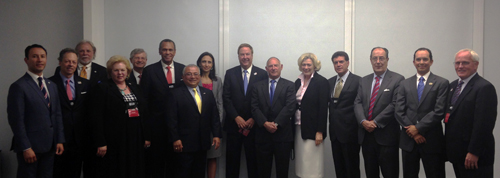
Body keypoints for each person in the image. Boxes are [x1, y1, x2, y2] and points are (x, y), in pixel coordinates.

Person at [7, 44, 65, 178]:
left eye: (42, 56)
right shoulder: (19, 86)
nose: (39, 60)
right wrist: (25, 147)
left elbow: (57, 115)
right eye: (34, 56)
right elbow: (16, 121)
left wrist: (60, 140)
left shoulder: (52, 85)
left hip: (50, 146)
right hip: (30, 148)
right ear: (26, 60)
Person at [89, 55, 151, 178]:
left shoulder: (134, 87)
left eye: (123, 70)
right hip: (115, 138)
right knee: (117, 168)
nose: (120, 73)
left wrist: (146, 136)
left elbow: (144, 112)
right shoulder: (102, 88)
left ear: (127, 71)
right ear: (110, 72)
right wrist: (100, 142)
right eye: (116, 70)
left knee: (135, 167)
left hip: (135, 136)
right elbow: (96, 117)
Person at [394, 48, 448, 178]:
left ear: (431, 61)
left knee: (436, 174)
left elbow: (439, 110)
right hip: (409, 141)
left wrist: (417, 128)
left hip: (432, 140)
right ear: (414, 62)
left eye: (425, 59)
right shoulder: (404, 84)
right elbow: (399, 111)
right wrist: (413, 133)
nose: (421, 62)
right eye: (418, 59)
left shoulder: (441, 83)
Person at [445, 49, 497, 178]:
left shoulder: (484, 87)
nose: (460, 66)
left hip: (475, 156)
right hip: (457, 153)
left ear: (476, 64)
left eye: (465, 63)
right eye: (457, 63)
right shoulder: (453, 86)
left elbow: (484, 124)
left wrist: (474, 151)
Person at [354, 47, 404, 178]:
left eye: (381, 58)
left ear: (387, 59)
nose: (378, 61)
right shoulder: (364, 80)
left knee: (390, 173)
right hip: (366, 136)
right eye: (374, 58)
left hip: (387, 136)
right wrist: (363, 121)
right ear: (370, 60)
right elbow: (357, 102)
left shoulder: (397, 79)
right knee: (370, 173)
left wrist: (375, 122)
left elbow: (394, 104)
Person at [140, 39, 185, 178]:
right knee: (156, 163)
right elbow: (144, 100)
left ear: (175, 52)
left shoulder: (182, 69)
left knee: (176, 163)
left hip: (178, 126)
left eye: (170, 50)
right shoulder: (149, 71)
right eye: (164, 49)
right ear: (160, 51)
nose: (167, 52)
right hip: (156, 126)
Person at [167, 64, 222, 178]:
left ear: (200, 76)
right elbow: (171, 119)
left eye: (196, 74)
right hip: (183, 143)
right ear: (183, 76)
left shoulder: (207, 93)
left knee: (199, 173)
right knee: (183, 173)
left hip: (202, 143)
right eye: (189, 74)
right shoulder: (175, 94)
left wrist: (216, 135)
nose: (193, 77)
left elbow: (214, 116)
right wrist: (175, 138)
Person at [223, 43, 267, 178]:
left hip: (253, 126)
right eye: (242, 54)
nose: (245, 57)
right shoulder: (230, 73)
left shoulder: (262, 74)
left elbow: (264, 100)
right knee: (232, 161)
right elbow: (226, 98)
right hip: (234, 125)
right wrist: (236, 117)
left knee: (254, 162)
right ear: (238, 56)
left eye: (248, 54)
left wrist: (254, 118)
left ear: (252, 56)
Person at [251, 57, 296, 178]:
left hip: (282, 136)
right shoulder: (257, 86)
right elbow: (254, 108)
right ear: (266, 69)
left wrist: (275, 124)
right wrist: (265, 123)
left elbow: (290, 107)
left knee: (282, 171)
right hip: (262, 135)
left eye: (276, 65)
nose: (273, 68)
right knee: (263, 171)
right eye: (270, 66)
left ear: (281, 67)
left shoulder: (290, 85)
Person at [49, 48, 91, 178]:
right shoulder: (49, 83)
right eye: (67, 61)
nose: (70, 64)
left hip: (79, 138)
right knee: (58, 172)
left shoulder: (85, 84)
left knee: (75, 171)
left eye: (73, 62)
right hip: (58, 138)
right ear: (60, 62)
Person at [294, 53, 329, 178]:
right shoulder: (298, 81)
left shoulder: (322, 82)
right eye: (303, 64)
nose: (306, 67)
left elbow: (323, 108)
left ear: (315, 66)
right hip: (298, 127)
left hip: (313, 130)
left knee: (312, 165)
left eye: (309, 64)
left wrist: (320, 131)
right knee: (301, 164)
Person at [328, 51, 361, 178]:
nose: (338, 64)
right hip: (335, 133)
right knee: (339, 168)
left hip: (351, 133)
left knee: (351, 168)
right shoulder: (330, 82)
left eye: (341, 62)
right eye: (335, 62)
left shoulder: (358, 81)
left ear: (347, 63)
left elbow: (361, 105)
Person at [196, 52, 223, 178]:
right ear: (199, 63)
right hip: (197, 126)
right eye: (204, 61)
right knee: (199, 157)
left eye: (209, 62)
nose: (206, 64)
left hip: (213, 125)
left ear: (212, 65)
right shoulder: (194, 79)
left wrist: (218, 124)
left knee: (213, 157)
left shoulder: (217, 80)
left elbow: (220, 103)